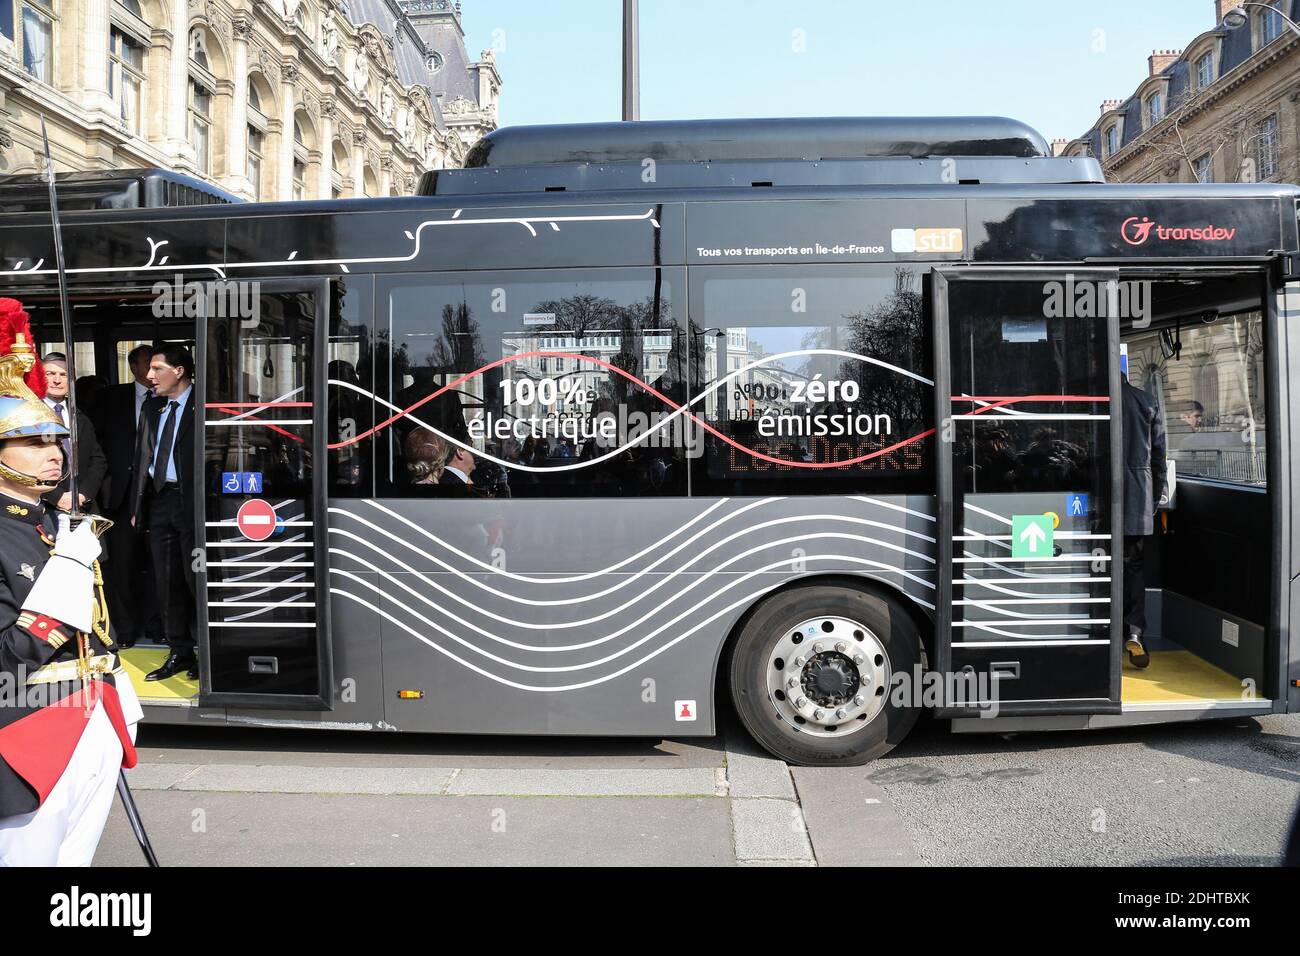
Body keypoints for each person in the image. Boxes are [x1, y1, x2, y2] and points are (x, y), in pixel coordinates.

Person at [0, 298, 141, 866]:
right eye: (33, 443)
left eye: (54, 441)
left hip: (93, 718)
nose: (53, 453)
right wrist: (66, 579)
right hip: (24, 731)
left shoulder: (57, 523)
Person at [132, 345, 197, 682]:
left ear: (180, 371)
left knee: (195, 578)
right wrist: (136, 507)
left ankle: (207, 652)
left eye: (157, 368)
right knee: (166, 579)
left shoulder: (204, 405)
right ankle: (180, 651)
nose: (149, 375)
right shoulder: (152, 407)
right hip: (160, 500)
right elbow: (143, 458)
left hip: (194, 503)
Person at [91, 345, 158, 649]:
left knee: (161, 562)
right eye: (148, 364)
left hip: (158, 490)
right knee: (122, 563)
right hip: (120, 493)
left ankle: (161, 625)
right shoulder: (110, 398)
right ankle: (126, 627)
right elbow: (96, 445)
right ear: (133, 366)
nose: (154, 371)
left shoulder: (171, 397)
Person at [1122, 376, 1169, 668]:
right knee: (1133, 567)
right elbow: (1159, 458)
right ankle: (1134, 632)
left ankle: (1101, 632)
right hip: (1136, 497)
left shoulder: (1096, 400)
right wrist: (1153, 499)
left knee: (1098, 567)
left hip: (1098, 499)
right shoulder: (1146, 401)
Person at [39, 352, 107, 514]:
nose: (57, 380)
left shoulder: (81, 415)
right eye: (50, 374)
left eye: (64, 375)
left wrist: (82, 494)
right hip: (44, 505)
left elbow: (98, 460)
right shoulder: (28, 415)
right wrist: (56, 496)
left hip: (83, 505)